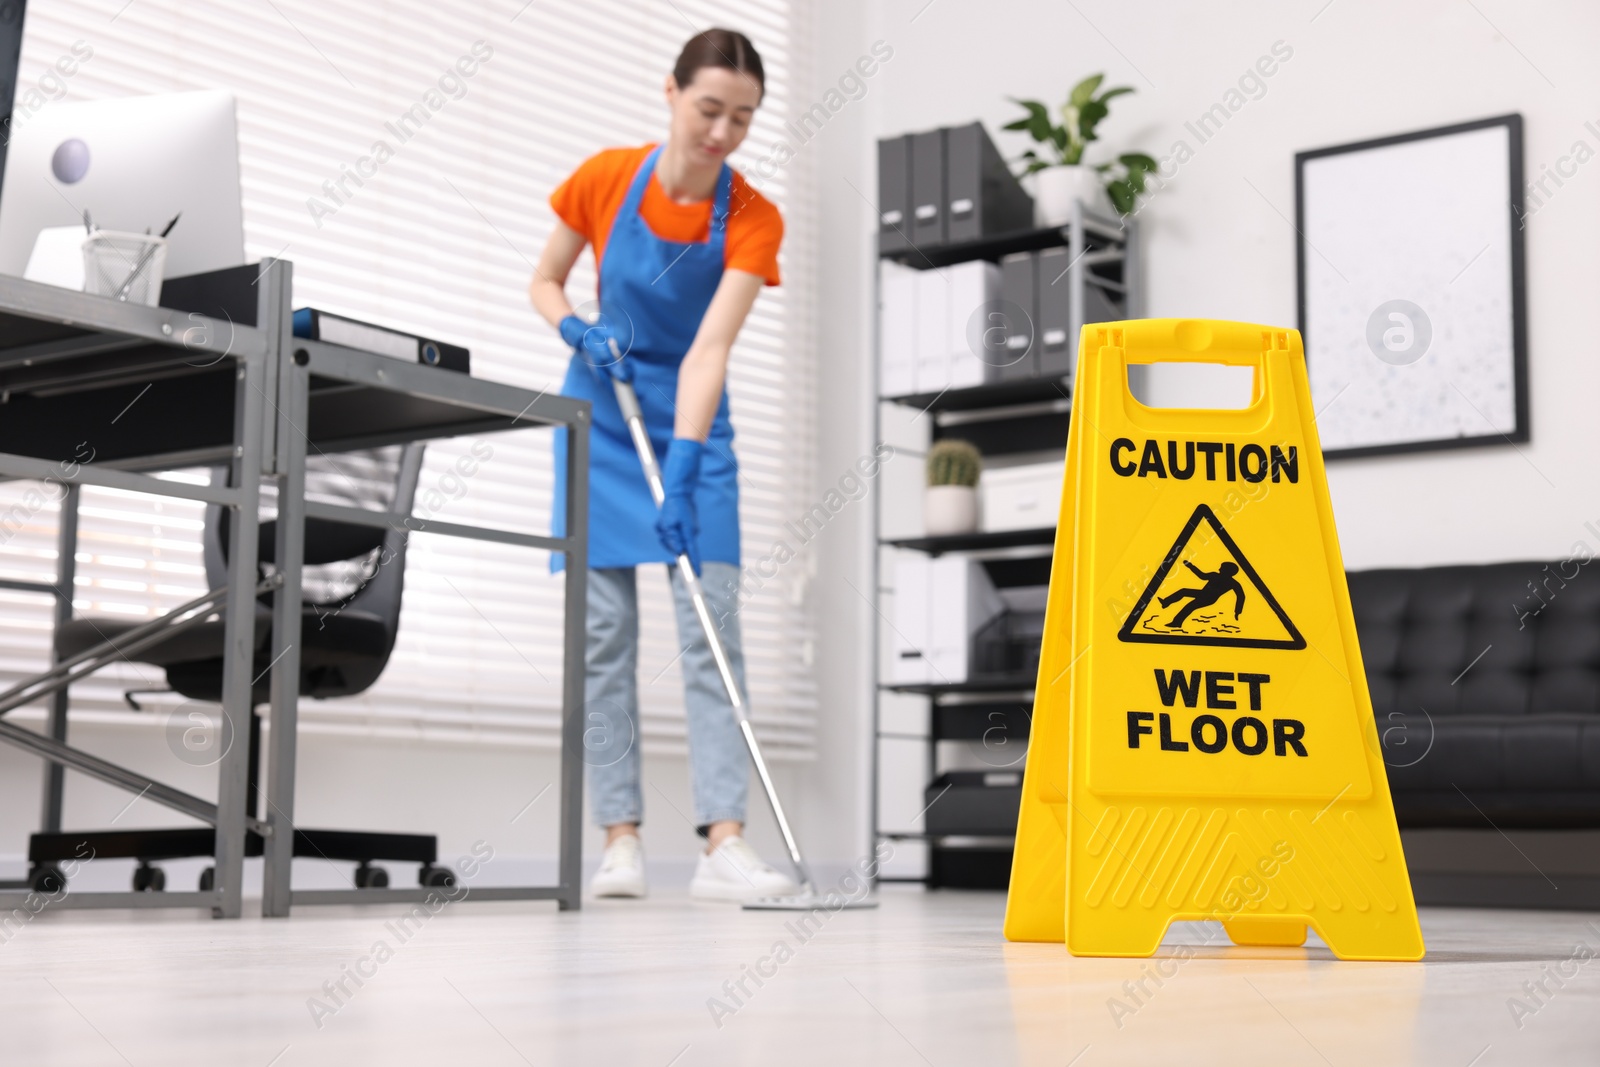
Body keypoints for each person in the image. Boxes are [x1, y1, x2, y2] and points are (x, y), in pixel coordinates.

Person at [529, 28, 794, 902]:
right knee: (604, 641)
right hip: (599, 416)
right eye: (709, 109)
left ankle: (723, 844)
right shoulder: (606, 177)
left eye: (742, 119)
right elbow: (546, 281)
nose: (721, 132)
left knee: (712, 636)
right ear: (672, 93)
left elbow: (709, 349)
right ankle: (621, 839)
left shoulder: (753, 219)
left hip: (691, 425)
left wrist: (682, 470)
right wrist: (573, 326)